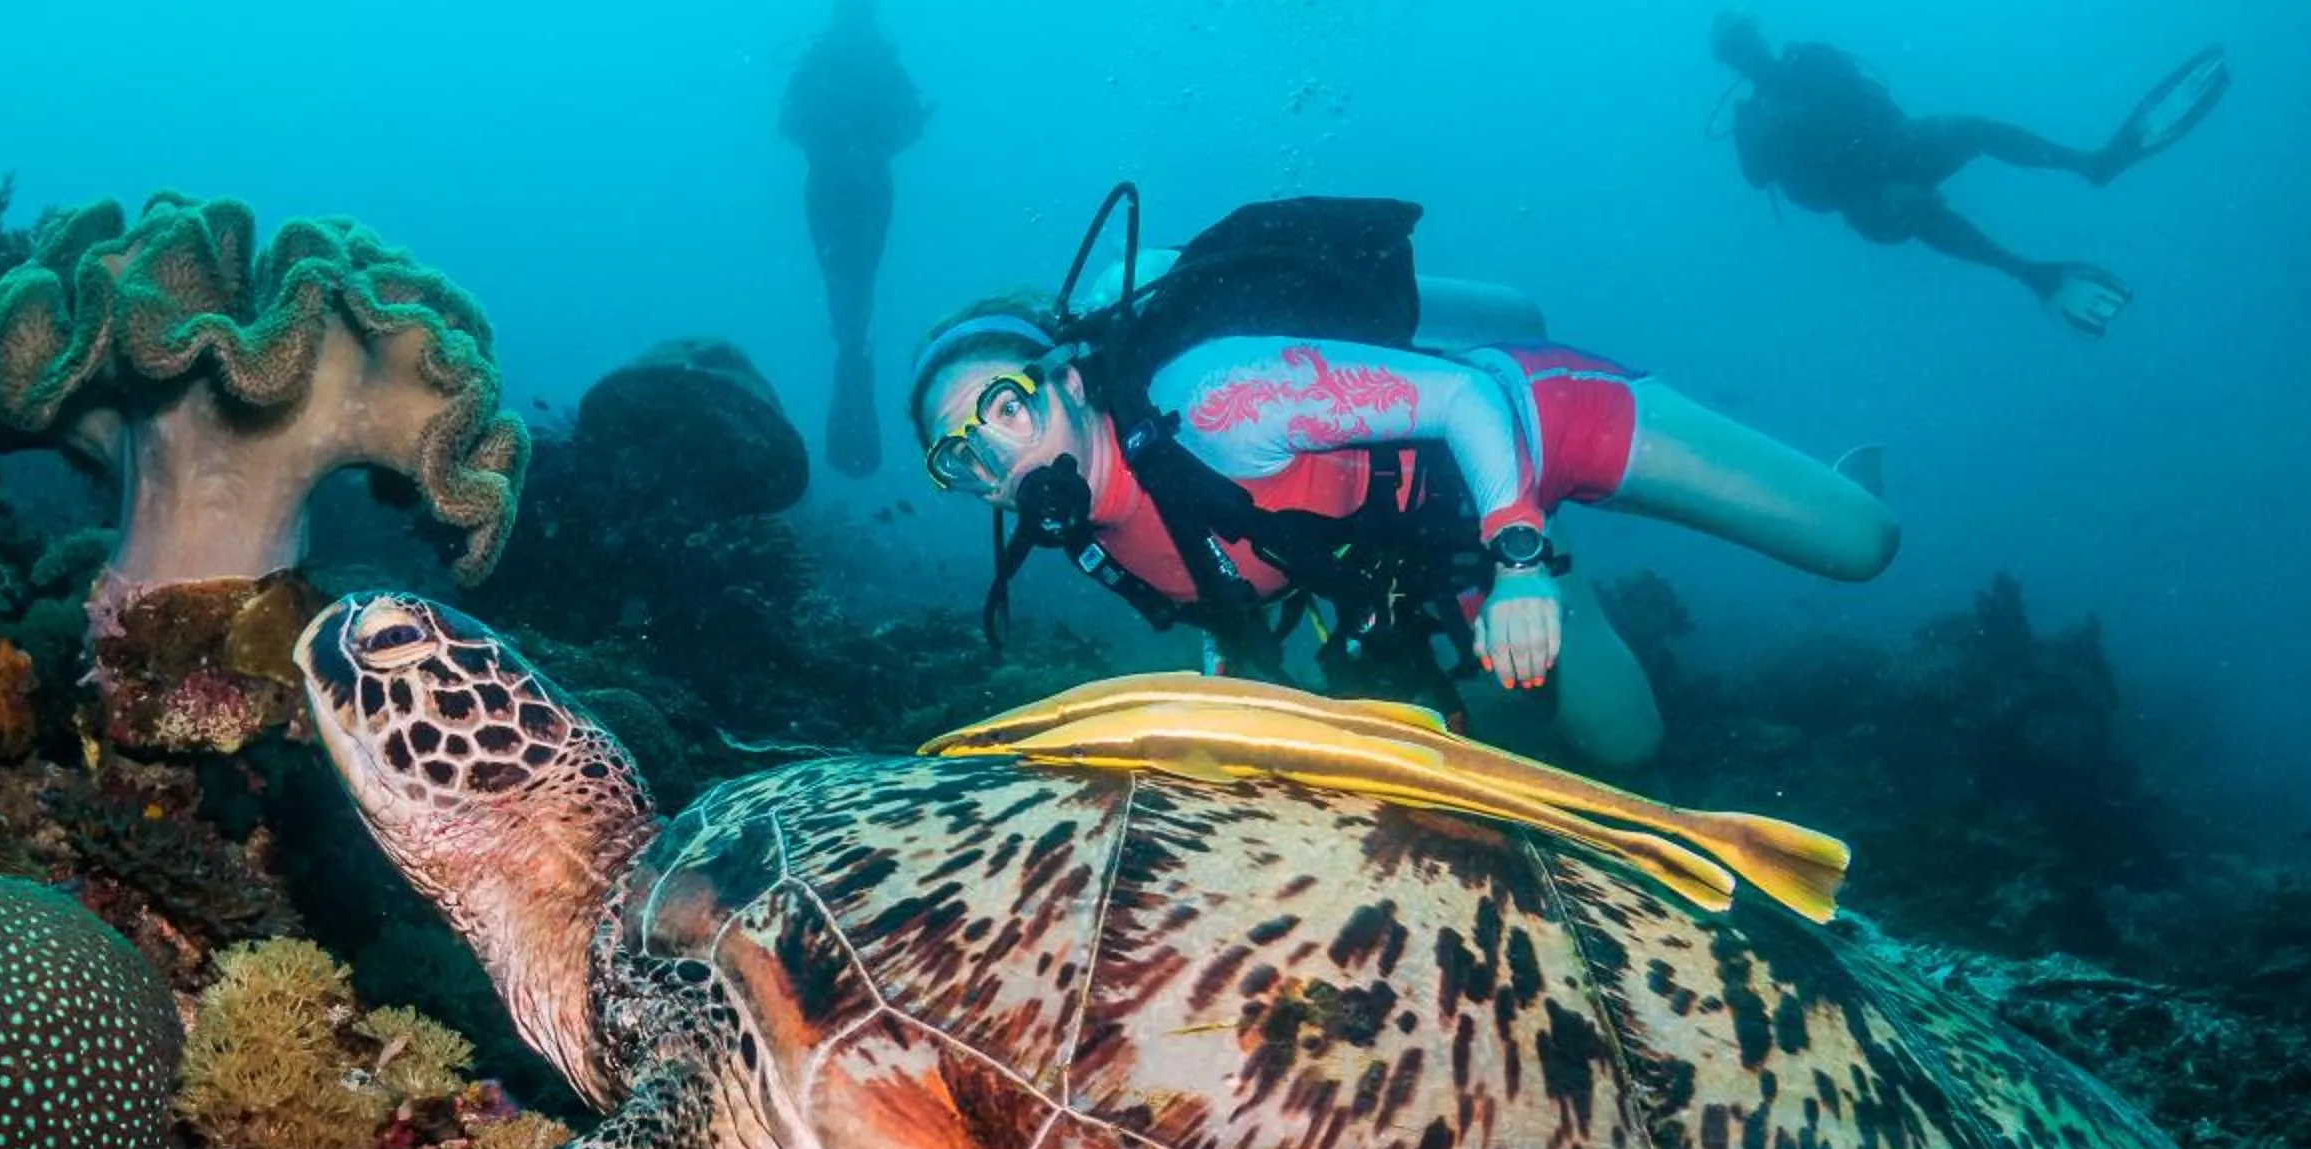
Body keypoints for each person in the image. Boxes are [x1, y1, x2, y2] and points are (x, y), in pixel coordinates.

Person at [908, 202, 1896, 768]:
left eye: (1005, 408)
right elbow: (1228, 585)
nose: (1000, 459)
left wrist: (1514, 552)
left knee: (1860, 545)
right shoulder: (1086, 536)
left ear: (1070, 382)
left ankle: (1824, 481)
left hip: (1521, 420)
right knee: (1625, 745)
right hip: (1416, 546)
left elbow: (1464, 400)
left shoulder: (1219, 402)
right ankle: (1564, 579)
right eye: (960, 454)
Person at [1711, 16, 2230, 338]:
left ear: (1760, 35)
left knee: (1967, 126)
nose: (1745, 51)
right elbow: (1761, 180)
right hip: (1861, 195)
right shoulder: (1752, 119)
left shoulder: (1812, 58)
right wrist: (1761, 131)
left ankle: (2093, 164)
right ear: (1727, 61)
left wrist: (1809, 115)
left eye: (1746, 38)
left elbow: (1868, 96)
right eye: (1734, 49)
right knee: (1908, 205)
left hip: (1894, 144)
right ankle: (2030, 273)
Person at [780, 0, 929, 478]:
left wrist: (835, 140)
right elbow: (907, 127)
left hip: (831, 185)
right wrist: (867, 142)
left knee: (847, 285)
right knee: (854, 284)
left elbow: (787, 124)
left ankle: (852, 354)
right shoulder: (880, 62)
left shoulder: (820, 60)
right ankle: (853, 355)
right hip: (863, 185)